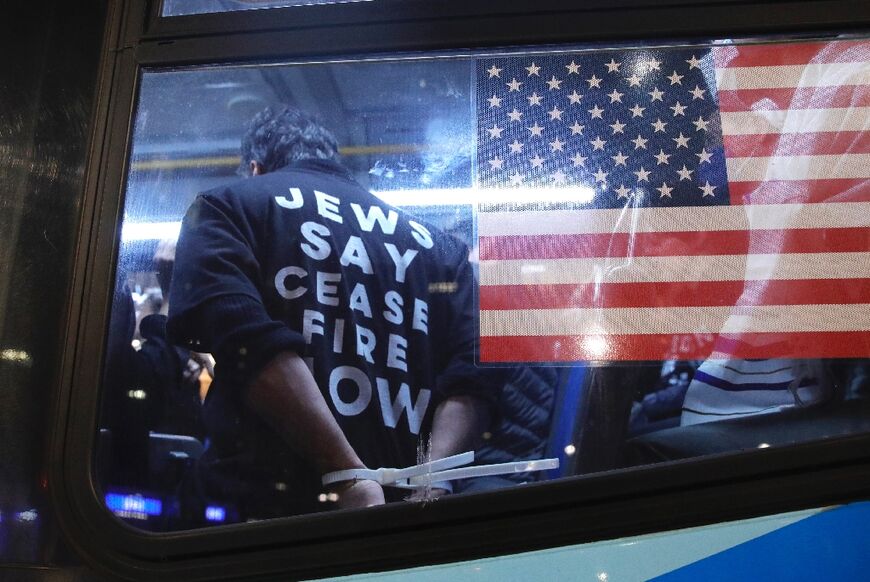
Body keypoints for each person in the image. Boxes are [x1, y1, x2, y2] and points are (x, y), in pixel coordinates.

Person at [167, 106, 499, 522]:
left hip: (260, 514)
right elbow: (474, 371)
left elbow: (244, 340)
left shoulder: (226, 205)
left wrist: (347, 478)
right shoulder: (441, 249)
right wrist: (432, 482)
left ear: (255, 168)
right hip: (409, 519)